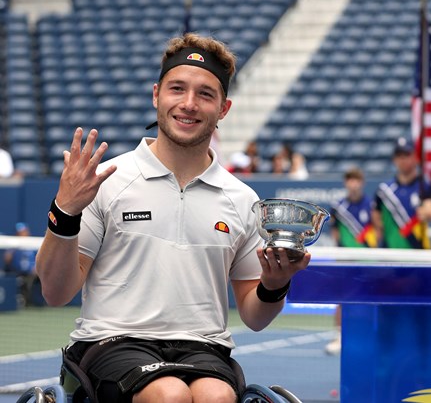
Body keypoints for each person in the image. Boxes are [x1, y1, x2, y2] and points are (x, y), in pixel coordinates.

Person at [35, 33, 312, 403]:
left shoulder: (242, 198)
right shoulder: (107, 179)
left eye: (205, 94)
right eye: (177, 89)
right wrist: (65, 211)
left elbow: (255, 316)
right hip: (112, 342)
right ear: (156, 95)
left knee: (216, 397)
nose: (189, 104)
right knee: (168, 395)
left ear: (224, 108)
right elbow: (55, 292)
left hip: (203, 349)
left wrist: (275, 284)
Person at [325, 167, 376, 355]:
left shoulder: (371, 205)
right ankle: (339, 335)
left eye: (356, 180)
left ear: (361, 183)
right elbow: (336, 233)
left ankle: (369, 335)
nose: (353, 184)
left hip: (368, 260)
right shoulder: (338, 207)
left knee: (370, 298)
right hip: (346, 260)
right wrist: (340, 255)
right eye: (350, 180)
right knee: (341, 298)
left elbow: (377, 230)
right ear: (346, 183)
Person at [372, 137, 431, 249]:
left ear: (415, 157)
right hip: (390, 253)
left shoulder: (424, 186)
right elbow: (376, 219)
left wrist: (426, 212)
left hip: (418, 251)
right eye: (399, 156)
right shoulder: (384, 191)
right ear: (394, 159)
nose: (403, 159)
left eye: (406, 155)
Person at [3, 222, 38, 306]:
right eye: (20, 232)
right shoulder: (13, 244)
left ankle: (33, 301)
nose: (22, 233)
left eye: (24, 231)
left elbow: (38, 259)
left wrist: (36, 268)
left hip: (31, 272)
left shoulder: (33, 243)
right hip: (17, 272)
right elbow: (7, 259)